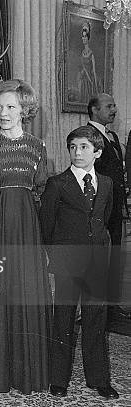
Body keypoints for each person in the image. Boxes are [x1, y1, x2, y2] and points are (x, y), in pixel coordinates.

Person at [0, 79, 51, 394]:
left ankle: (25, 374)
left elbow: (41, 193)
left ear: (24, 110)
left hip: (27, 230)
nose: (3, 112)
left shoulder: (37, 147)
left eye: (11, 106)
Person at [40, 125, 119, 400]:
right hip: (67, 262)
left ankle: (98, 379)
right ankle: (58, 379)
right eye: (72, 147)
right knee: (62, 319)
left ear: (97, 152)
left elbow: (105, 218)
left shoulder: (107, 184)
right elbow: (46, 225)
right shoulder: (57, 184)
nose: (77, 152)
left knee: (96, 319)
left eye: (84, 147)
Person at [87, 94, 127, 315]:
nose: (114, 109)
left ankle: (111, 304)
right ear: (94, 109)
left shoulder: (111, 136)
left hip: (114, 206)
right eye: (109, 106)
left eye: (114, 105)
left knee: (115, 252)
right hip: (99, 207)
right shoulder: (87, 136)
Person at [76, 22, 98, 103]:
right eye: (82, 36)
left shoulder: (91, 54)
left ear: (88, 38)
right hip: (83, 80)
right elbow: (82, 68)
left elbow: (94, 71)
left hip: (89, 81)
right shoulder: (82, 53)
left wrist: (94, 85)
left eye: (85, 36)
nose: (83, 38)